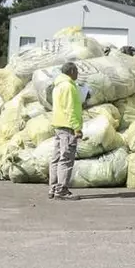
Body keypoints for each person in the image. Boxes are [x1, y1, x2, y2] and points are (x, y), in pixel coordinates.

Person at [48, 62, 83, 201]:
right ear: (72, 71)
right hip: (68, 127)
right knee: (66, 158)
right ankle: (62, 190)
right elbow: (70, 109)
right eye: (77, 71)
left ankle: (53, 188)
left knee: (56, 158)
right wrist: (77, 128)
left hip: (58, 125)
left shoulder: (58, 86)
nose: (78, 74)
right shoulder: (68, 87)